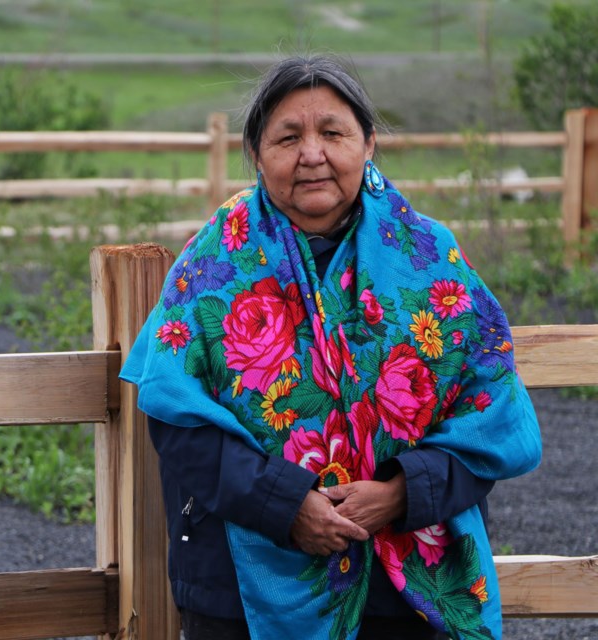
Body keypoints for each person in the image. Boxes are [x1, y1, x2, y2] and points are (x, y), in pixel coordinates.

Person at [119, 54, 542, 640]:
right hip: (241, 585)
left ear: (368, 143)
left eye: (333, 133)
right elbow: (179, 421)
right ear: (257, 155)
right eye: (287, 137)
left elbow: (490, 416)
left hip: (406, 593)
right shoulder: (214, 264)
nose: (311, 154)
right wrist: (285, 505)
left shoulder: (429, 260)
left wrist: (400, 492)